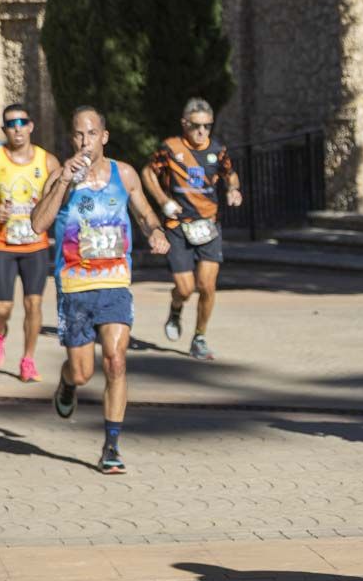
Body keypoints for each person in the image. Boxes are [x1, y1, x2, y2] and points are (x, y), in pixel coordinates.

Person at [30, 106, 170, 475]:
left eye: (91, 134)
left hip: (115, 284)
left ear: (104, 137)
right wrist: (62, 181)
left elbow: (144, 215)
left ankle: (111, 446)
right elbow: (37, 225)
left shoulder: (124, 174)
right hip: (74, 286)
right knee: (81, 372)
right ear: (70, 138)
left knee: (116, 360)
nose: (84, 141)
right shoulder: (60, 177)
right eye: (78, 134)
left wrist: (155, 232)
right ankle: (67, 383)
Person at [141, 98, 242, 360]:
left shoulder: (217, 150)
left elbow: (230, 173)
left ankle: (199, 337)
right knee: (185, 289)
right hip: (177, 226)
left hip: (208, 226)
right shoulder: (171, 148)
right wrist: (163, 201)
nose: (202, 132)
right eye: (197, 126)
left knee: (207, 286)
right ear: (185, 124)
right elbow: (147, 173)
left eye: (207, 126)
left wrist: (233, 190)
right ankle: (176, 308)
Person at [0, 104, 59, 381]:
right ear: (4, 130)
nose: (17, 128)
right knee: (3, 307)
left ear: (31, 126)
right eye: (10, 124)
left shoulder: (47, 161)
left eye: (21, 122)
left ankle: (28, 358)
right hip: (1, 243)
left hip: (35, 245)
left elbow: (60, 196)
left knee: (33, 304)